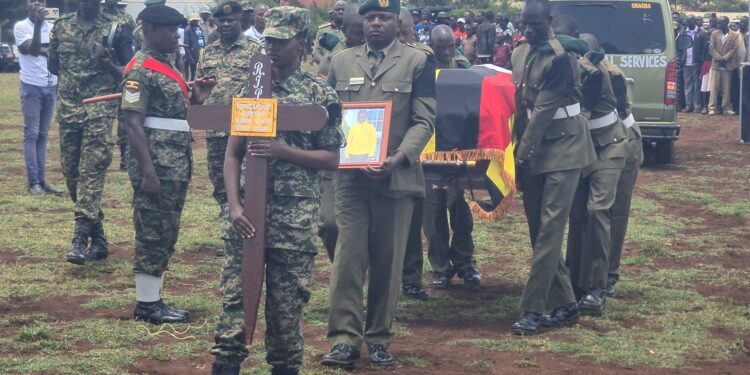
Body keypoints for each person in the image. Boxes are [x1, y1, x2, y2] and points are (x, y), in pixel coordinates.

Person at [210, 7, 343, 375]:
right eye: (268, 39)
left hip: (293, 223)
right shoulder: (249, 91)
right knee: (232, 318)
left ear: (301, 44)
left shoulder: (319, 93)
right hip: (245, 219)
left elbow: (332, 158)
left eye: (281, 41)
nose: (271, 48)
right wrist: (234, 207)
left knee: (286, 322)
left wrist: (286, 152)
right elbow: (232, 154)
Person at [321, 0, 435, 367]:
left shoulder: (417, 62)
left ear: (397, 21)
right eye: (370, 17)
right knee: (347, 258)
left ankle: (380, 337)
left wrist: (399, 157)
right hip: (351, 177)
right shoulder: (340, 61)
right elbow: (328, 114)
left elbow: (424, 121)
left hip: (396, 176)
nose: (375, 23)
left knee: (389, 259)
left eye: (384, 17)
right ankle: (343, 339)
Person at [120, 4, 216, 325]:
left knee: (166, 232)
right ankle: (147, 305)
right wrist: (148, 172)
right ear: (150, 31)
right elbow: (133, 125)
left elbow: (173, 115)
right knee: (152, 233)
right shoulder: (140, 70)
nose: (176, 35)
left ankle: (154, 298)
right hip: (157, 166)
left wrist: (196, 98)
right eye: (169, 30)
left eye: (177, 29)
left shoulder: (167, 66)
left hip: (175, 163)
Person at [509, 0, 595, 336]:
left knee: (549, 231)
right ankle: (566, 303)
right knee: (536, 230)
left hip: (565, 148)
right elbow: (519, 104)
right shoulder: (519, 53)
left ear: (548, 21)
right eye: (523, 24)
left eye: (534, 25)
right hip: (535, 148)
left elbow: (544, 111)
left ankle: (531, 309)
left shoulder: (561, 57)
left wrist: (518, 156)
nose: (527, 31)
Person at [48, 0, 133, 265]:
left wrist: (107, 64)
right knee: (71, 173)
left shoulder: (116, 29)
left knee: (91, 172)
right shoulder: (62, 27)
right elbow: (53, 66)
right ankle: (99, 238)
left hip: (100, 108)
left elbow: (130, 73)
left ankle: (79, 237)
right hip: (70, 109)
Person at [554, 23, 627, 316]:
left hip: (609, 145)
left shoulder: (606, 74)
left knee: (598, 210)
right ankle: (574, 279)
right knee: (577, 212)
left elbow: (616, 110)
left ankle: (597, 285)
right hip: (581, 148)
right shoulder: (565, 71)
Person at [401, 24, 475, 302]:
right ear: (430, 45)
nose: (445, 51)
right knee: (432, 214)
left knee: (459, 209)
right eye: (440, 46)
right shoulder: (422, 68)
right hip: (428, 150)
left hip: (457, 149)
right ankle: (440, 268)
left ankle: (465, 262)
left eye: (449, 46)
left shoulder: (464, 68)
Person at [197, 1, 264, 258]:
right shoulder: (208, 52)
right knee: (220, 183)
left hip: (245, 130)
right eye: (221, 21)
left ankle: (244, 231)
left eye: (231, 20)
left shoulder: (255, 51)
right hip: (216, 132)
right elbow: (199, 92)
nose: (225, 25)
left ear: (240, 21)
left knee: (246, 182)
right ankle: (229, 231)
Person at [316, 2, 365, 261]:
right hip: (337, 152)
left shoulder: (387, 57)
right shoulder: (332, 61)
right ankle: (343, 267)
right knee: (330, 223)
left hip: (374, 151)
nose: (361, 36)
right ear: (343, 30)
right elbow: (321, 102)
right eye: (355, 31)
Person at [602, 51, 643, 298]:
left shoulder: (609, 73)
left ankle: (608, 274)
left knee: (615, 213)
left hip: (623, 141)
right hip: (605, 139)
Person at [14, 0, 63, 197]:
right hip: (31, 86)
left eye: (41, 1)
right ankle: (33, 182)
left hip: (51, 85)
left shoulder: (52, 27)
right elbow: (32, 50)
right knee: (31, 134)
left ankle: (43, 181)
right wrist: (37, 28)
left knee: (43, 135)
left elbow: (57, 53)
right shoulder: (21, 26)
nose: (38, 4)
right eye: (34, 1)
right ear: (27, 4)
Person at [102, 0, 136, 172]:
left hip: (123, 73)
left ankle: (124, 158)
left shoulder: (126, 19)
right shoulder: (98, 17)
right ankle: (100, 157)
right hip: (102, 77)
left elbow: (129, 49)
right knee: (103, 120)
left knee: (125, 119)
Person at [708, 16, 745, 116]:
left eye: (722, 23)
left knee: (726, 87)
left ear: (727, 23)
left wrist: (725, 58)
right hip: (716, 64)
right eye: (719, 23)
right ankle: (712, 107)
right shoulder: (714, 33)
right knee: (714, 87)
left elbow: (734, 48)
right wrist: (720, 58)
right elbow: (712, 48)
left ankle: (726, 107)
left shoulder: (734, 35)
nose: (719, 25)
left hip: (728, 64)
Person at [680, 15, 708, 113]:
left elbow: (705, 49)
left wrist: (702, 61)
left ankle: (697, 106)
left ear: (694, 21)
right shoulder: (683, 32)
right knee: (687, 85)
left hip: (697, 63)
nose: (689, 23)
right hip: (686, 63)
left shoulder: (702, 33)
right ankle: (689, 106)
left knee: (697, 85)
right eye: (687, 22)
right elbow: (680, 47)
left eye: (691, 21)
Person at [313, 0, 346, 64]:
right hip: (326, 70)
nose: (341, 12)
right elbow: (316, 53)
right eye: (338, 9)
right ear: (332, 12)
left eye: (343, 10)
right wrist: (326, 63)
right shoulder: (322, 30)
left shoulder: (352, 30)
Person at [184, 13, 207, 80]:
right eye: (194, 20)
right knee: (194, 72)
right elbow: (186, 45)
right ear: (191, 21)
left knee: (202, 71)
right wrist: (190, 57)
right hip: (193, 54)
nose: (195, 22)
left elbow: (202, 38)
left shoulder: (199, 28)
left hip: (202, 51)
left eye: (197, 20)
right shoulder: (188, 29)